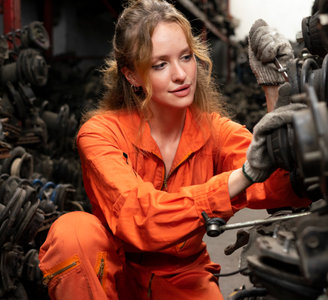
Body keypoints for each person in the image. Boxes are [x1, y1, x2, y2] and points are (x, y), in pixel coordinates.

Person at [38, 0, 309, 299]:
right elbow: (140, 218)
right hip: (115, 273)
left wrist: (276, 92)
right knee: (73, 232)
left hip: (183, 276)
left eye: (186, 57)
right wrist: (242, 176)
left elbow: (280, 186)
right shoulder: (101, 134)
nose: (181, 74)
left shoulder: (215, 131)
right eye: (160, 64)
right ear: (132, 76)